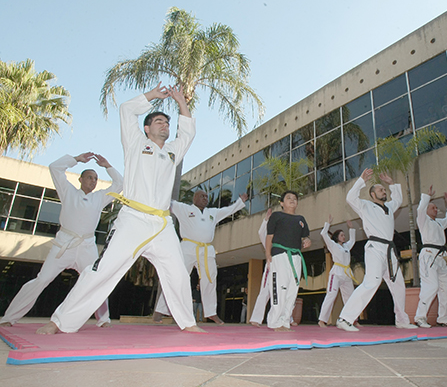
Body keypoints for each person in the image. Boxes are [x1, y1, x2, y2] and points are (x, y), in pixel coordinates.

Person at [36, 83, 202, 334]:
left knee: (178, 273)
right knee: (101, 271)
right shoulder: (136, 142)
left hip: (162, 224)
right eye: (159, 121)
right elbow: (126, 110)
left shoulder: (172, 152)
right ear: (147, 128)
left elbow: (187, 134)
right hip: (133, 220)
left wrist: (181, 103)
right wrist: (152, 96)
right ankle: (60, 321)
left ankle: (188, 323)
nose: (164, 125)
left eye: (167, 123)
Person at [0, 153, 123, 328]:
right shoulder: (68, 191)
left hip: (87, 246)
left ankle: (103, 320)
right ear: (80, 179)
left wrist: (107, 165)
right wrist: (76, 159)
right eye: (89, 177)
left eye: (95, 178)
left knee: (95, 280)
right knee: (42, 279)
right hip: (64, 244)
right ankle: (9, 317)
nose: (93, 181)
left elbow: (120, 184)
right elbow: (54, 168)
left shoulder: (100, 197)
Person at [336, 168, 417, 332]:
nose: (383, 191)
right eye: (380, 189)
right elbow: (350, 198)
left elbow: (398, 199)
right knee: (371, 282)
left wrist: (392, 184)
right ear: (372, 194)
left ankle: (402, 320)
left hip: (389, 251)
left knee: (399, 285)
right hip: (375, 248)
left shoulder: (389, 208)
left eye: (384, 190)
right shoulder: (365, 206)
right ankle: (345, 318)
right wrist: (361, 181)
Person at [152, 190, 248, 325]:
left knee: (210, 279)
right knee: (177, 277)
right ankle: (160, 311)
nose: (205, 198)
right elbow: (166, 202)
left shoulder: (212, 213)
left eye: (207, 197)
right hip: (188, 247)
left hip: (206, 249)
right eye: (202, 196)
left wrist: (240, 202)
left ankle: (211, 313)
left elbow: (228, 210)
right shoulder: (183, 208)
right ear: (194, 198)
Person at [265, 191, 311, 332]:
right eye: (288, 198)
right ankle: (274, 322)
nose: (292, 200)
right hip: (280, 255)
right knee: (280, 287)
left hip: (296, 256)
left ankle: (285, 321)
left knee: (292, 289)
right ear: (282, 203)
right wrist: (268, 255)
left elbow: (305, 237)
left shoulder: (301, 219)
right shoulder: (277, 216)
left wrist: (307, 240)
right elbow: (269, 237)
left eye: (295, 198)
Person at [414, 185, 447, 328]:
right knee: (431, 286)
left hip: (440, 257)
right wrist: (427, 197)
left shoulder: (438, 223)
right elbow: (420, 210)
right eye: (433, 208)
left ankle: (444, 318)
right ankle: (420, 317)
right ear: (426, 210)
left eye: (437, 208)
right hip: (428, 256)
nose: (436, 210)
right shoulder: (423, 221)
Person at [318, 215, 357, 328]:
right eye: (342, 235)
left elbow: (353, 240)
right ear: (336, 237)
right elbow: (323, 234)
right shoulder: (333, 245)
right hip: (336, 273)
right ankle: (322, 320)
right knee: (331, 295)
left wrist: (351, 228)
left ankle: (352, 320)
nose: (344, 237)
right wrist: (328, 223)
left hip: (347, 274)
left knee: (350, 297)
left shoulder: (346, 247)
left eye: (344, 235)